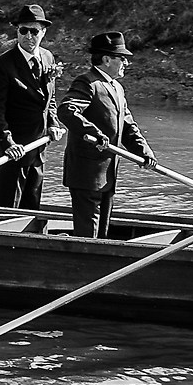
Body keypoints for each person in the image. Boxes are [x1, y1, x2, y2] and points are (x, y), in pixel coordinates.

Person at [60, 31, 150, 239]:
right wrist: (94, 133)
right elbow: (67, 110)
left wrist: (144, 152)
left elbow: (128, 125)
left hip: (109, 174)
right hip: (86, 173)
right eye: (122, 58)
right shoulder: (87, 83)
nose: (126, 62)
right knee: (87, 233)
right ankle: (85, 264)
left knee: (103, 231)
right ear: (106, 59)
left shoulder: (117, 88)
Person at [0, 4, 63, 209]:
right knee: (6, 210)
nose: (29, 36)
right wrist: (8, 143)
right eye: (23, 30)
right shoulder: (1, 65)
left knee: (32, 208)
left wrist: (53, 123)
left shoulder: (48, 58)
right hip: (12, 152)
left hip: (38, 149)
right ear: (17, 31)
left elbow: (50, 98)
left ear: (43, 33)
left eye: (34, 31)